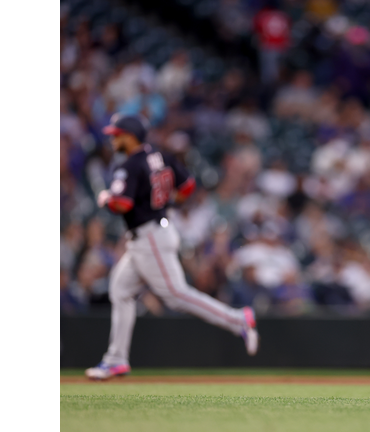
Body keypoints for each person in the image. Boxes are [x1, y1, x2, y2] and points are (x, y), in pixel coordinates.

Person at [84, 114, 259, 381]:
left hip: (149, 236)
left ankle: (238, 320)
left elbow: (122, 204)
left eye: (117, 134)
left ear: (130, 136)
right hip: (155, 232)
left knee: (176, 295)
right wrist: (166, 202)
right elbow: (188, 186)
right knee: (120, 290)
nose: (113, 138)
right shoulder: (160, 156)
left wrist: (105, 197)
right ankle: (116, 359)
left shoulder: (130, 165)